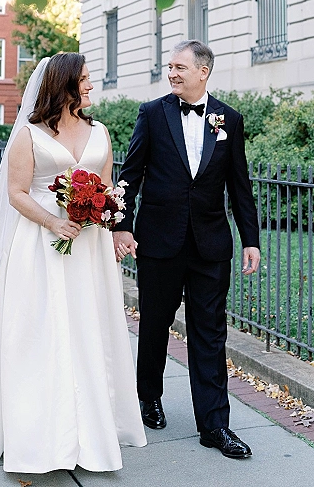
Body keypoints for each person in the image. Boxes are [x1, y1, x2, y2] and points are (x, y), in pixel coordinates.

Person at [0, 53, 146, 473]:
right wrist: (54, 222)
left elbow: (109, 185)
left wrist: (110, 216)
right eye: (85, 80)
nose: (92, 86)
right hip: (41, 245)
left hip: (88, 248)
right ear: (65, 86)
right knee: (41, 331)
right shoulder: (29, 135)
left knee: (86, 328)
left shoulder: (101, 132)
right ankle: (40, 434)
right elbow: (17, 193)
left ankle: (90, 429)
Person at [113, 40, 261, 460]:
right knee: (156, 325)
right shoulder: (152, 114)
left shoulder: (229, 119)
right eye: (169, 67)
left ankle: (215, 425)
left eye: (179, 67)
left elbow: (240, 185)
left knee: (210, 334)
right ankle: (148, 397)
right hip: (159, 241)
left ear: (203, 71)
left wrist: (250, 239)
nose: (172, 73)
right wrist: (122, 226)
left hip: (211, 245)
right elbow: (131, 176)